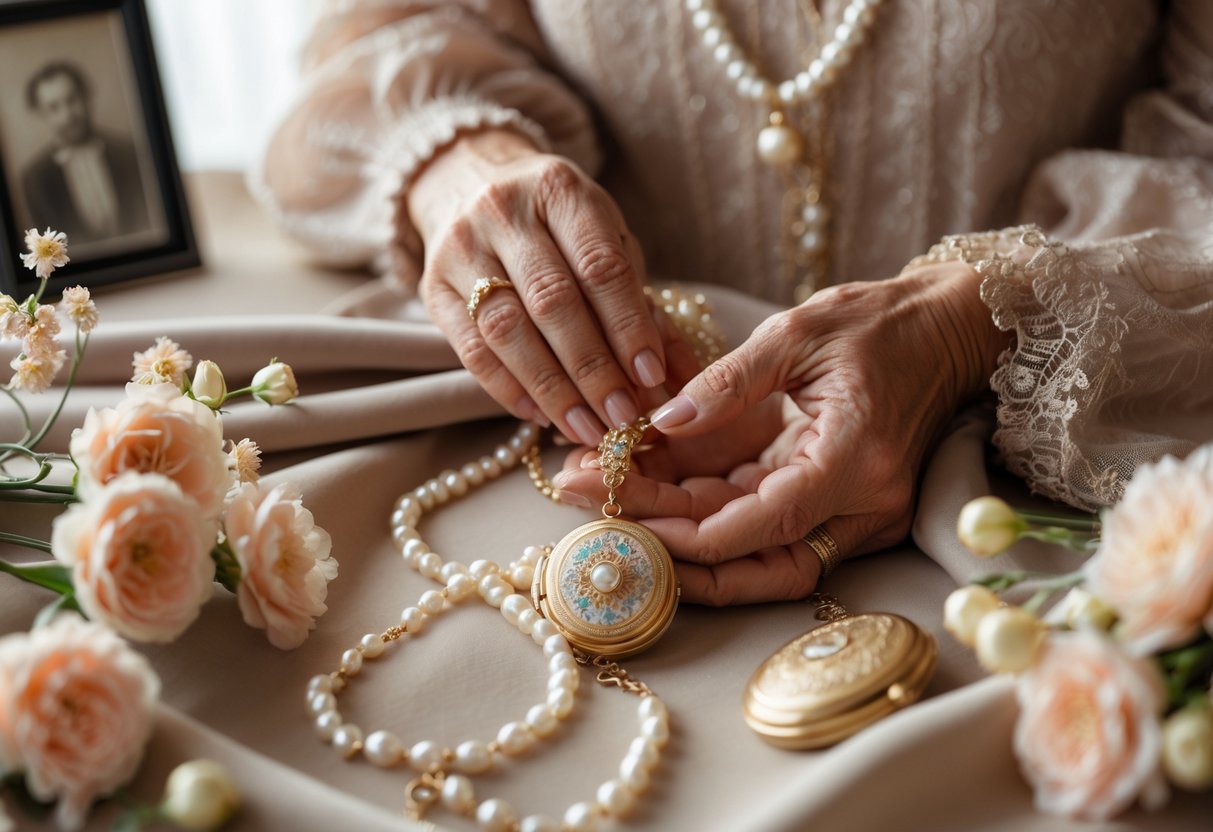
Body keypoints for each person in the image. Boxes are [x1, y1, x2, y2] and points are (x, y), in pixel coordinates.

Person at [252, 1, 1213, 604]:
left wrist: (972, 320)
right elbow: (378, 30)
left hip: (1049, 494)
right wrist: (462, 160)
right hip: (569, 433)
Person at [21, 60, 149, 247]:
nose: (68, 115)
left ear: (86, 98)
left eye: (72, 100)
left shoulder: (129, 152)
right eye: (54, 107)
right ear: (41, 115)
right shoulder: (34, 178)